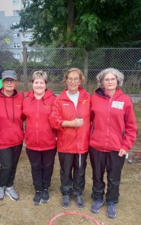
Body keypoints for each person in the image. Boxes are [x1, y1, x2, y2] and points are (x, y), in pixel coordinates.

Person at [89, 68, 137, 219]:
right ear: (101, 82)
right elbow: (89, 119)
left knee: (114, 177)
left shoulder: (125, 100)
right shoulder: (94, 98)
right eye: (106, 79)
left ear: (118, 81)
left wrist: (126, 145)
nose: (110, 82)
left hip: (117, 148)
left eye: (112, 79)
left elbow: (131, 126)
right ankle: (97, 198)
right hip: (96, 145)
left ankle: (111, 201)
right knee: (97, 175)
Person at [49, 68, 90, 209]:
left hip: (81, 144)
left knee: (80, 169)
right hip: (65, 143)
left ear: (81, 80)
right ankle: (66, 193)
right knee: (65, 170)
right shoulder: (59, 99)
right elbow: (54, 120)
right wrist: (71, 123)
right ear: (65, 80)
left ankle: (78, 192)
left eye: (76, 79)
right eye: (70, 79)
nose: (73, 81)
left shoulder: (87, 98)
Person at [23, 71, 57, 205]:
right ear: (32, 83)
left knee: (48, 166)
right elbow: (21, 118)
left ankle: (45, 188)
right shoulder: (26, 99)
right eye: (36, 82)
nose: (38, 85)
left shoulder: (53, 99)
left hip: (48, 142)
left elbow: (57, 119)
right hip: (32, 142)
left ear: (46, 84)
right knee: (35, 167)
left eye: (41, 82)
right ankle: (37, 189)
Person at [0, 70, 24, 202]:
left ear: (16, 82)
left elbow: (25, 115)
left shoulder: (21, 97)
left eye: (12, 80)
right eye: (6, 80)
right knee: (7, 165)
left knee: (14, 165)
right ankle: (0, 186)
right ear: (2, 82)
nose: (9, 83)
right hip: (1, 139)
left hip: (17, 138)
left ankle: (9, 186)